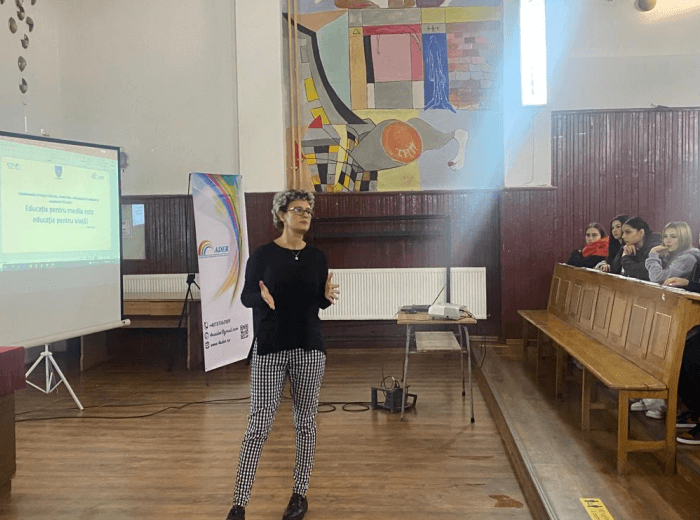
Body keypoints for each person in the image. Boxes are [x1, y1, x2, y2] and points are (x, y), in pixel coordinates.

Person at [226, 189, 339, 520]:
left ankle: (299, 495)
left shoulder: (317, 258)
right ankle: (239, 504)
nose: (305, 215)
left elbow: (317, 302)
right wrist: (262, 299)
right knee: (258, 425)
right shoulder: (262, 256)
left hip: (309, 349)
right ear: (281, 215)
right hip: (270, 349)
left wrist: (326, 296)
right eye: (298, 209)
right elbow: (247, 297)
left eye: (309, 211)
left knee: (305, 424)